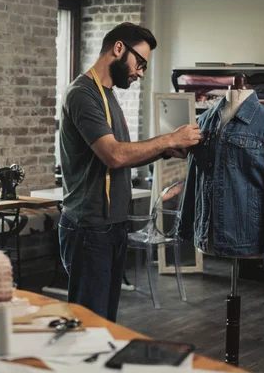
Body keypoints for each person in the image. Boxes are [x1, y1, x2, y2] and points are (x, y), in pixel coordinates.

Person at [58, 22, 202, 322]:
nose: (141, 72)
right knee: (88, 325)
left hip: (111, 226)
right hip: (91, 228)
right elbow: (114, 155)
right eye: (141, 62)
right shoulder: (82, 94)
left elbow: (121, 158)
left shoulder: (107, 96)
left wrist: (163, 151)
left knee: (105, 323)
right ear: (119, 48)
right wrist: (170, 138)